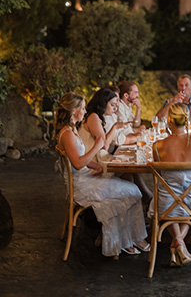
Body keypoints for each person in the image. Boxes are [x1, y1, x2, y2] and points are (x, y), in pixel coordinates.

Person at [55, 92, 149, 258]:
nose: (85, 112)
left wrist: (96, 165)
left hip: (86, 177)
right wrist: (98, 145)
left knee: (131, 190)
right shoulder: (67, 134)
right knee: (131, 191)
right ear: (74, 110)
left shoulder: (72, 130)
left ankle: (130, 239)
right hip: (81, 186)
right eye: (82, 109)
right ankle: (127, 240)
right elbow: (77, 163)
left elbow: (77, 158)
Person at [151, 103, 191, 266]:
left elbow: (161, 173)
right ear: (187, 121)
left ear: (169, 121)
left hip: (166, 204)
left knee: (174, 201)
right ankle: (179, 243)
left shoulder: (156, 146)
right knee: (187, 201)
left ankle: (177, 242)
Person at [79, 88, 125, 162]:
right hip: (91, 162)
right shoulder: (93, 117)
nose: (115, 108)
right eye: (112, 105)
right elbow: (104, 146)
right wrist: (115, 127)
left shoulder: (97, 117)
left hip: (94, 159)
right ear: (103, 103)